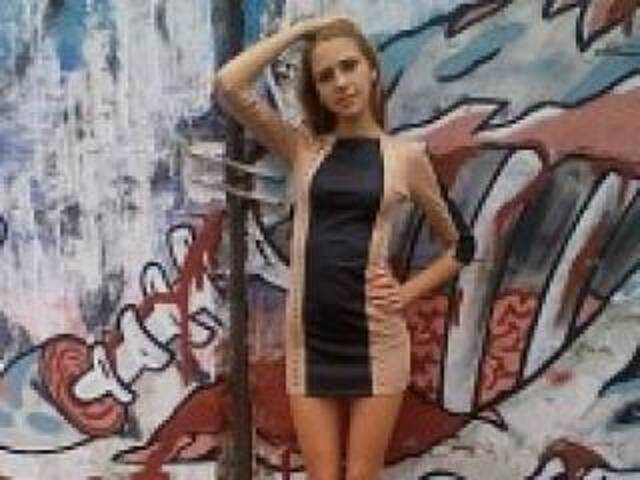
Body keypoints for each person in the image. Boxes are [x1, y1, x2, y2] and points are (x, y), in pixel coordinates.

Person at [213, 15, 474, 480]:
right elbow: (229, 85)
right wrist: (301, 33)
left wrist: (405, 294)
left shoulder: (405, 158)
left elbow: (461, 246)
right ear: (317, 90)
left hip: (376, 340)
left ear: (371, 70)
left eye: (349, 66)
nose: (341, 83)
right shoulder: (305, 150)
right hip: (311, 343)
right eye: (325, 76)